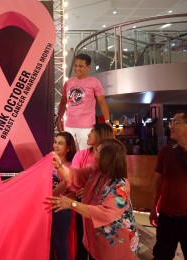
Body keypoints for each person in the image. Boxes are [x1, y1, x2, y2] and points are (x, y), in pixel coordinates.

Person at [47, 138, 139, 260]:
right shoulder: (95, 172)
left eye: (97, 151)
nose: (93, 154)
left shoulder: (120, 185)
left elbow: (105, 213)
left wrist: (72, 204)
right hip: (96, 242)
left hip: (114, 247)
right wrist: (58, 164)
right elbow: (74, 176)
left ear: (107, 157)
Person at [150, 111, 187, 260]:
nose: (170, 126)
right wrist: (153, 208)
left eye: (175, 122)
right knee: (161, 256)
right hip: (167, 218)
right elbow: (157, 182)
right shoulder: (166, 152)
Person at [56, 53, 111, 150]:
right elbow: (63, 102)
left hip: (86, 127)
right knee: (70, 155)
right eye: (75, 65)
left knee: (85, 155)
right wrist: (59, 118)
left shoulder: (94, 82)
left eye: (80, 66)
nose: (77, 68)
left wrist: (107, 121)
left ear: (88, 67)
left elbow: (102, 102)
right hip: (69, 125)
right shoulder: (68, 82)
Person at [50, 132, 77, 260]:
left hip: (61, 208)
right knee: (47, 244)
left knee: (60, 244)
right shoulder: (47, 162)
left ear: (69, 147)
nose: (56, 145)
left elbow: (74, 191)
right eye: (55, 142)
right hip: (45, 207)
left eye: (60, 143)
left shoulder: (72, 167)